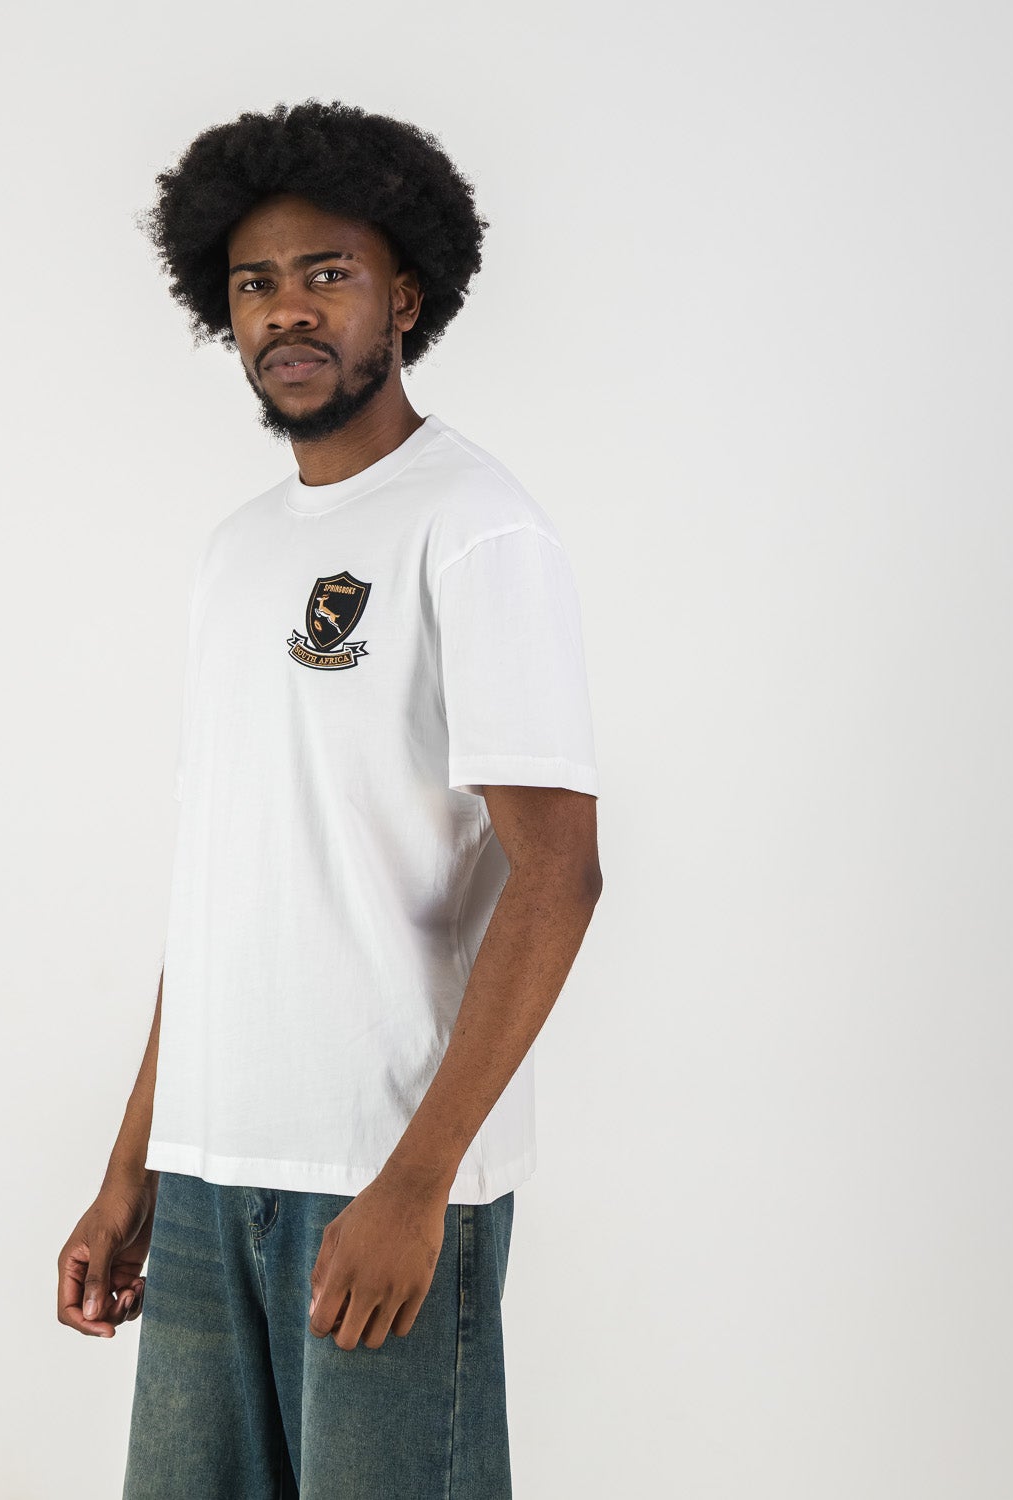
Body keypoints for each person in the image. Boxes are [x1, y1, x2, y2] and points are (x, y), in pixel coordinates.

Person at [57, 99, 604, 1498]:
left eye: (327, 274)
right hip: (205, 1177)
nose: (287, 310)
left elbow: (559, 873)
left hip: (382, 1176)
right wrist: (134, 1166)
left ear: (403, 296)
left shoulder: (474, 528)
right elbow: (230, 884)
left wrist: (418, 1184)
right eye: (256, 283)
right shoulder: (235, 554)